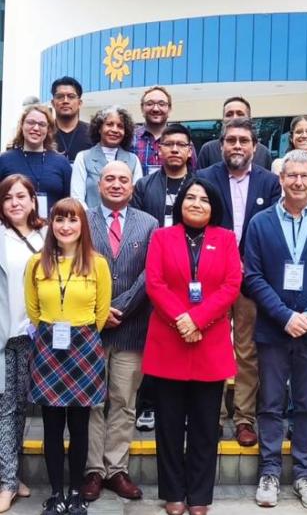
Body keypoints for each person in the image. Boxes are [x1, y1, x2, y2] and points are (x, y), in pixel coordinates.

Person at [245, 149, 307, 509]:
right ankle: (269, 472)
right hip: (273, 329)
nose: (299, 182)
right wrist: (285, 315)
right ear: (281, 179)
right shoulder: (260, 223)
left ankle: (304, 475)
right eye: (292, 175)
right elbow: (252, 276)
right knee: (270, 404)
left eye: (306, 175)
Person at [143, 177, 242, 515]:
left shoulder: (226, 239)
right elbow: (154, 283)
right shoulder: (161, 236)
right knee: (168, 426)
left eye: (203, 199)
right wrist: (181, 320)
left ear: (214, 206)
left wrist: (196, 321)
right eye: (190, 197)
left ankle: (199, 495)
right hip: (168, 340)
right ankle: (173, 492)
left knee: (204, 426)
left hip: (208, 342)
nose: (196, 203)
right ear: (180, 203)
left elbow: (231, 285)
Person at [24, 198, 111, 515]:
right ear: (51, 224)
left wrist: (81, 335)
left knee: (79, 426)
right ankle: (56, 494)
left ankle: (76, 492)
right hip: (48, 345)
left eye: (72, 220)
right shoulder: (37, 263)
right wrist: (51, 331)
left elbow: (102, 311)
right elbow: (33, 309)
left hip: (84, 346)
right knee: (50, 426)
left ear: (82, 226)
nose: (65, 226)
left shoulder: (97, 263)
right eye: (59, 220)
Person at [198, 117, 281, 446]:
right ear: (221, 146)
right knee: (211, 347)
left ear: (254, 146)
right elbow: (198, 224)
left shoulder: (269, 182)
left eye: (243, 141)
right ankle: (213, 416)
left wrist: (248, 265)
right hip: (212, 280)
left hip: (250, 280)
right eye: (230, 140)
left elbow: (271, 230)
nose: (236, 146)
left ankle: (244, 418)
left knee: (246, 351)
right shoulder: (204, 178)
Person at [82, 162, 158, 502]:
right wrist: (99, 312)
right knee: (93, 402)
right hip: (90, 332)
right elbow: (77, 267)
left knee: (125, 402)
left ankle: (116, 469)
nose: (116, 184)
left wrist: (120, 308)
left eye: (123, 180)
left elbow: (149, 275)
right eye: (109, 179)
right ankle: (93, 471)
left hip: (131, 326)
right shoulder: (82, 221)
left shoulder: (149, 224)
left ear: (132, 187)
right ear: (99, 185)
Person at [131, 123, 194, 432]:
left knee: (183, 343)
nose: (174, 149)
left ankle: (181, 409)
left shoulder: (199, 186)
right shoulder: (144, 186)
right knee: (153, 344)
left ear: (189, 150)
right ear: (159, 149)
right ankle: (148, 405)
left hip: (189, 277)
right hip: (152, 273)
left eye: (181, 144)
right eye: (168, 144)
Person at [0, 174, 46, 513]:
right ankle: (7, 481)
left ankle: (12, 474)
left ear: (33, 200)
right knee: (5, 408)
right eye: (7, 198)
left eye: (21, 196)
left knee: (22, 409)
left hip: (38, 336)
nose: (15, 203)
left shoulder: (48, 236)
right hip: (5, 336)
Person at [0, 105, 71, 217]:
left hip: (51, 230)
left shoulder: (61, 163)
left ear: (48, 129)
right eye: (31, 122)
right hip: (12, 230)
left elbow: (69, 202)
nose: (36, 128)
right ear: (22, 125)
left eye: (42, 124)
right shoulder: (4, 160)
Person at [71, 106, 142, 209]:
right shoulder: (83, 157)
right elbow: (77, 198)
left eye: (120, 126)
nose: (114, 130)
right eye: (109, 124)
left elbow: (136, 198)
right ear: (99, 128)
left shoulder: (133, 160)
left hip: (124, 223)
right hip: (90, 222)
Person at [130, 85, 197, 175]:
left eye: (161, 104)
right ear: (142, 108)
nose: (156, 109)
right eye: (150, 104)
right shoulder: (130, 139)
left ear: (169, 109)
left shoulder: (183, 141)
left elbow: (193, 173)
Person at [197, 96, 272, 170]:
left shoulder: (263, 153)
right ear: (223, 120)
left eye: (240, 114)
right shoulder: (208, 150)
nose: (234, 118)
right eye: (229, 115)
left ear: (249, 119)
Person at [51, 76, 92, 163]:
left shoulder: (93, 133)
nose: (65, 101)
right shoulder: (44, 132)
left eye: (71, 96)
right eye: (60, 96)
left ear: (79, 103)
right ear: (53, 103)